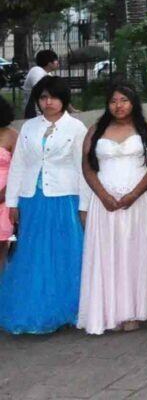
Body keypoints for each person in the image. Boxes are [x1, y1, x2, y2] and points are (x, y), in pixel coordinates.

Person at [0, 77, 85, 333]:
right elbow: (19, 166)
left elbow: (82, 168)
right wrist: (13, 201)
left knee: (65, 251)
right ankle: (36, 307)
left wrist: (84, 205)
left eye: (53, 97)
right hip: (33, 198)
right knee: (33, 253)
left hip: (64, 197)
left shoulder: (76, 128)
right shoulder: (29, 128)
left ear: (64, 99)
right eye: (42, 97)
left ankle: (70, 308)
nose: (48, 103)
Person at [78, 85, 147, 335]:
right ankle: (109, 311)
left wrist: (134, 194)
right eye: (113, 101)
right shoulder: (96, 130)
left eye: (124, 100)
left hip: (140, 201)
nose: (119, 106)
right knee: (108, 254)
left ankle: (136, 311)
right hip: (105, 203)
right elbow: (87, 166)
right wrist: (102, 195)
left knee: (138, 251)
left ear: (133, 102)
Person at [20, 49, 58, 118]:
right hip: (34, 114)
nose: (58, 62)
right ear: (49, 63)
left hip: (43, 112)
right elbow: (40, 90)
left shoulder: (48, 74)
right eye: (56, 60)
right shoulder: (36, 71)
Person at [0, 98, 15, 276]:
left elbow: (20, 168)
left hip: (4, 199)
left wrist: (5, 194)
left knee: (2, 247)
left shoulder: (12, 135)